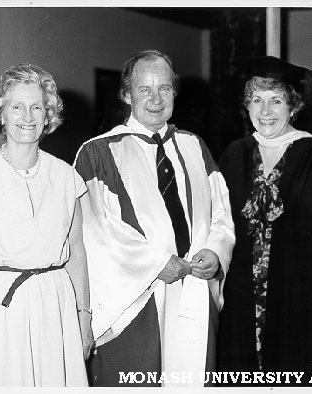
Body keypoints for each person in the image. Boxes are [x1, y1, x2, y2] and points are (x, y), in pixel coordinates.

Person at [74, 49, 235, 387]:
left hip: (193, 290)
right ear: (126, 94)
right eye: (144, 89)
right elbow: (94, 230)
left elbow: (221, 212)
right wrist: (155, 263)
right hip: (136, 300)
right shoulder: (97, 153)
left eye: (164, 88)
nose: (156, 99)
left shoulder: (195, 147)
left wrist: (216, 251)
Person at [218, 56, 312, 385]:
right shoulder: (234, 155)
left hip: (301, 300)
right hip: (241, 303)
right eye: (256, 100)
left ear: (293, 104)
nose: (265, 111)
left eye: (276, 100)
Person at [0, 63, 92, 386]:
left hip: (55, 305)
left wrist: (84, 317)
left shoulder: (67, 177)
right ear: (1, 114)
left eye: (36, 107)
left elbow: (78, 252)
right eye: (17, 106)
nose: (27, 116)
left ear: (48, 116)